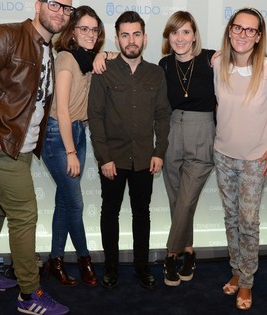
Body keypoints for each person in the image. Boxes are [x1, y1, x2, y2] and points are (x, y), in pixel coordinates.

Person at [0, 1, 73, 314]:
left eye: (68, 9)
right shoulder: (5, 36)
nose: (61, 12)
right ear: (38, 5)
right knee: (24, 214)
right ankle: (29, 295)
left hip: (19, 145)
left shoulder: (50, 49)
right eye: (55, 5)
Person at [87, 11, 171, 289]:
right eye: (125, 35)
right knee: (110, 213)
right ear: (117, 38)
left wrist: (159, 151)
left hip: (145, 159)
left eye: (136, 34)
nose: (131, 40)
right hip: (113, 159)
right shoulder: (103, 71)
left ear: (145, 39)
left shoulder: (155, 73)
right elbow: (95, 116)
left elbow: (162, 115)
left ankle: (142, 267)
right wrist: (104, 157)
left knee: (142, 214)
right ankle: (110, 268)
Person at [213, 7, 267, 311]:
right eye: (238, 28)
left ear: (258, 37)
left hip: (255, 159)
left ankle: (247, 282)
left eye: (250, 30)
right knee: (231, 218)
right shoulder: (217, 63)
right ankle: (236, 268)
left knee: (248, 220)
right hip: (223, 155)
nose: (243, 34)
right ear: (230, 30)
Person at [41, 5, 104, 288]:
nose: (90, 34)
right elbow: (62, 110)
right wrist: (69, 151)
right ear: (72, 31)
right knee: (75, 204)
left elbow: (112, 56)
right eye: (84, 29)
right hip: (58, 135)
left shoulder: (87, 59)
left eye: (94, 29)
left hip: (78, 131)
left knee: (64, 202)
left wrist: (103, 53)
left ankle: (55, 261)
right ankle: (84, 259)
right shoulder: (66, 58)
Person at [157, 11, 216, 287]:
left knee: (187, 198)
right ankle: (189, 251)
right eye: (174, 32)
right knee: (176, 198)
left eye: (186, 32)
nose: (180, 38)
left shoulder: (211, 59)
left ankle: (171, 253)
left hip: (202, 131)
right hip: (171, 132)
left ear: (194, 35)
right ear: (168, 37)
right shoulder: (164, 65)